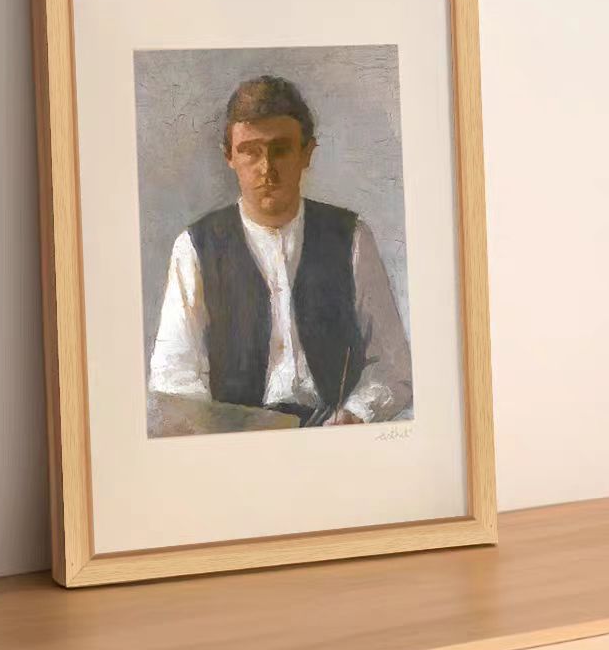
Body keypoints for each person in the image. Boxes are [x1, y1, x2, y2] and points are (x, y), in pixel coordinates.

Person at [149, 75, 413, 427]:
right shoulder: (195, 246)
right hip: (237, 438)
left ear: (306, 153)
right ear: (229, 156)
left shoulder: (351, 237)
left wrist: (357, 413)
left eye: (280, 149)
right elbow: (173, 378)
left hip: (333, 434)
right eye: (251, 151)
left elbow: (394, 367)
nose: (267, 169)